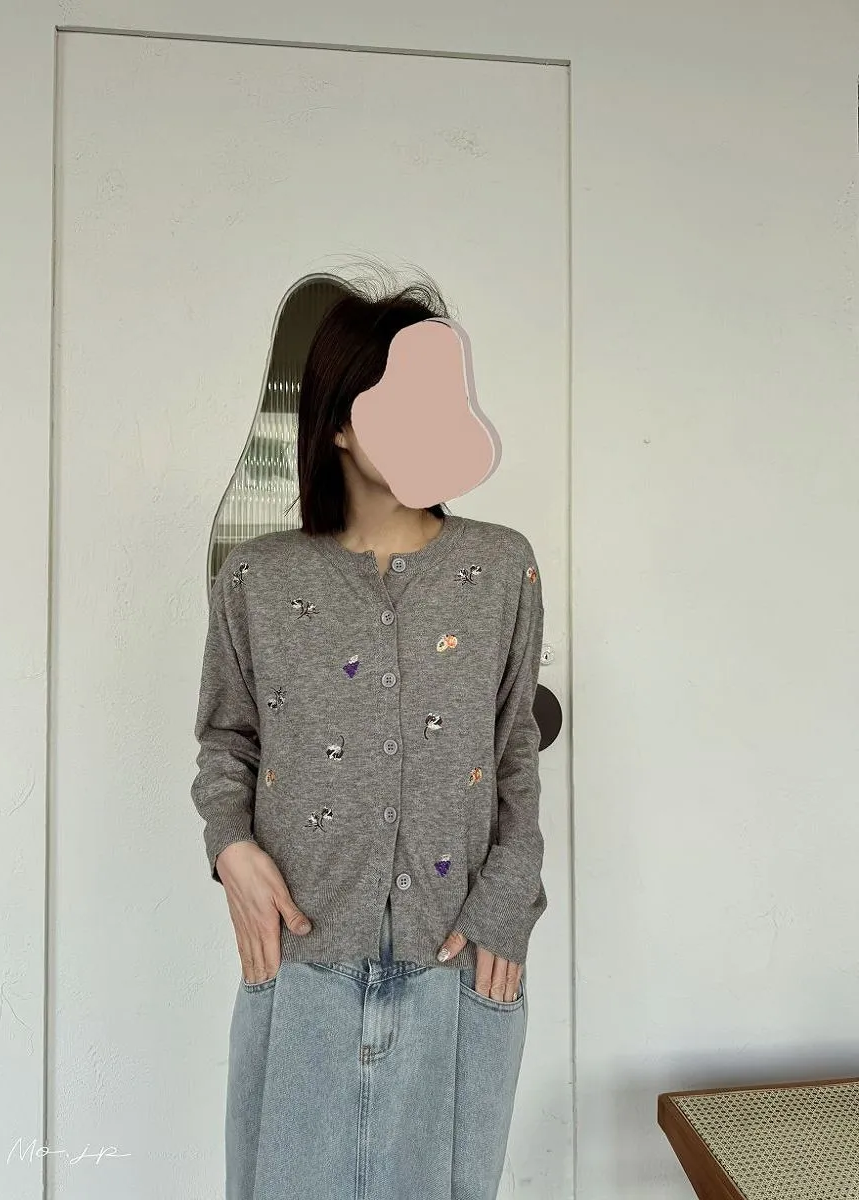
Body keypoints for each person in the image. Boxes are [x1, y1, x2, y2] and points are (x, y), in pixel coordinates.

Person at [190, 278, 548, 1200]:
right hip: (302, 965)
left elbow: (514, 748)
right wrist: (230, 848)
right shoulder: (258, 580)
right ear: (341, 423)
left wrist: (509, 901)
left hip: (457, 966)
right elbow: (226, 740)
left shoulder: (499, 566)